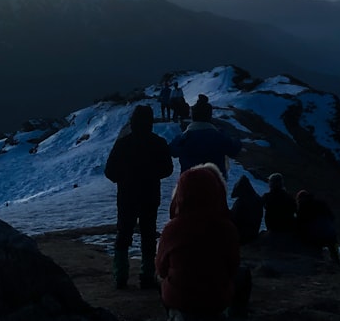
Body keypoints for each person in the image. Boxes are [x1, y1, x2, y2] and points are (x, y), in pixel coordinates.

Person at [156, 163, 247, 320]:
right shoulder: (226, 228)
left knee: (159, 278)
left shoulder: (172, 229)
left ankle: (172, 314)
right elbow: (233, 267)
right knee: (243, 275)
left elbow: (162, 269)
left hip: (181, 299)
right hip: (216, 301)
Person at [103, 104, 174, 289]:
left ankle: (120, 276)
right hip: (150, 195)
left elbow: (109, 171)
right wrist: (152, 175)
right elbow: (168, 169)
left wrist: (123, 179)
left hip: (126, 195)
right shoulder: (158, 143)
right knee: (148, 235)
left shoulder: (123, 144)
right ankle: (147, 275)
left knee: (124, 233)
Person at [169, 94, 241, 177]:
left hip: (190, 184)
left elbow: (172, 150)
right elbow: (234, 148)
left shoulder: (183, 139)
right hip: (214, 184)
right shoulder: (219, 137)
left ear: (193, 117)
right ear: (209, 116)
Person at [295, 189, 340, 265]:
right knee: (332, 245)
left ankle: (318, 260)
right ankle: (336, 261)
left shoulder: (303, 208)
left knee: (311, 240)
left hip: (316, 236)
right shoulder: (321, 203)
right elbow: (332, 217)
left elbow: (299, 224)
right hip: (331, 234)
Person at [230, 174, 263, 245]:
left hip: (242, 237)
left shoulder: (241, 202)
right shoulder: (257, 198)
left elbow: (233, 218)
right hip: (253, 234)